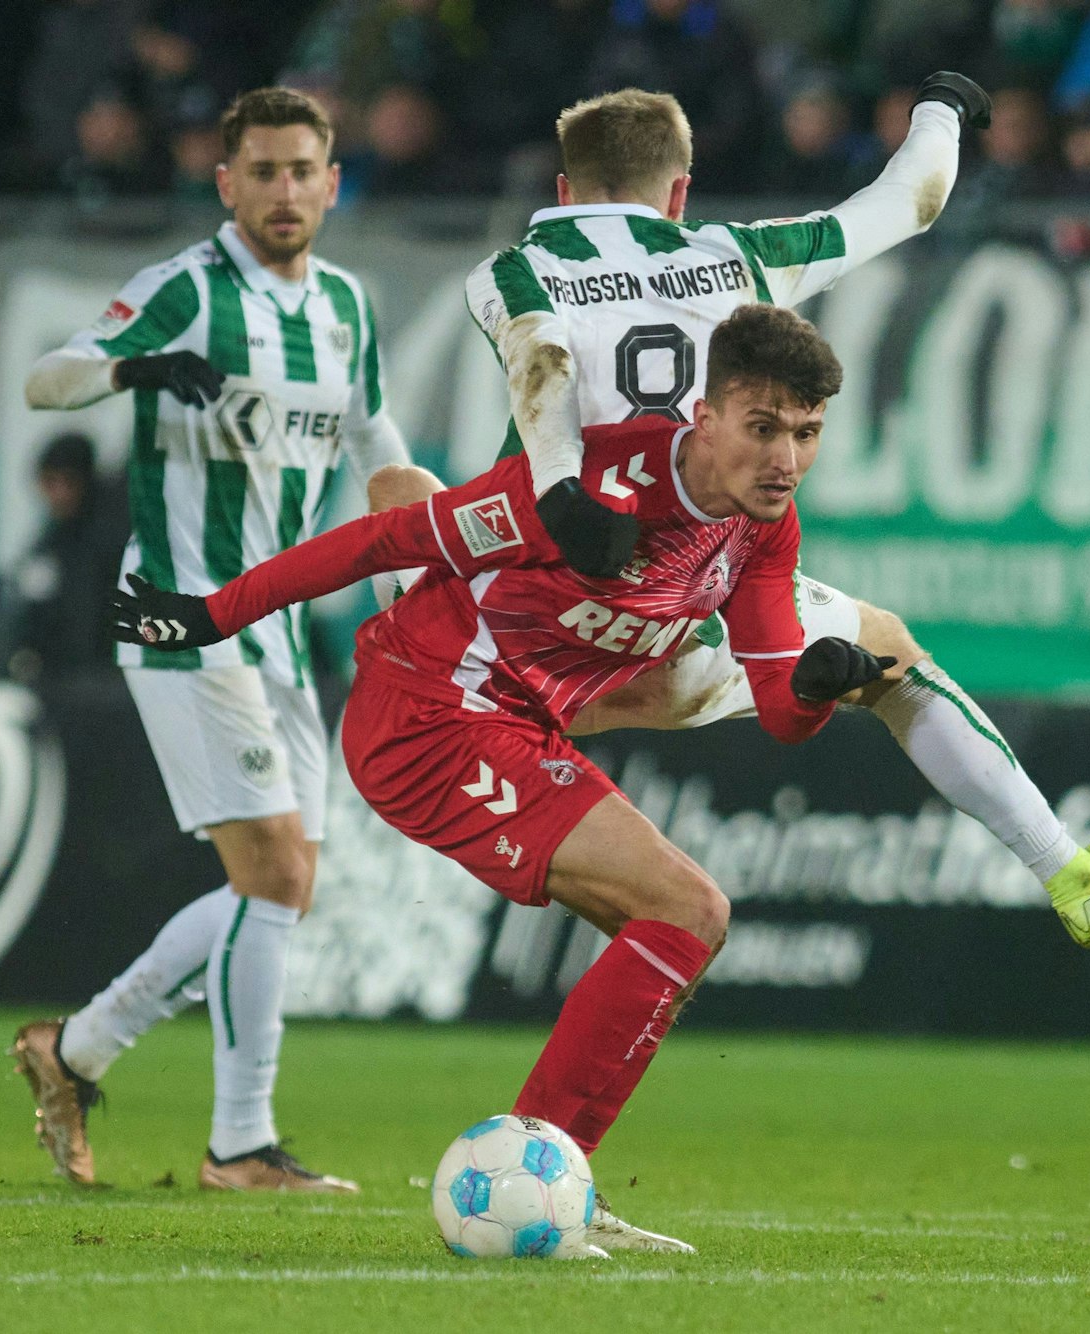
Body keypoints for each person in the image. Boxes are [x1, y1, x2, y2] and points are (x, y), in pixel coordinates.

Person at [116, 304, 895, 1255]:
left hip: (517, 724)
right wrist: (210, 615)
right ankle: (540, 1183)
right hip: (428, 717)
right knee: (689, 908)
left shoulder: (762, 531)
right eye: (763, 427)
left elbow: (778, 710)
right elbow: (386, 540)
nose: (786, 459)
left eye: (807, 433)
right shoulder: (587, 487)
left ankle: (559, 1187)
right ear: (703, 414)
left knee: (677, 931)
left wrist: (815, 687)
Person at [393, 83, 1090, 955]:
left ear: (562, 190)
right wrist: (941, 110)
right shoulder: (736, 255)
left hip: (534, 637)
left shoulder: (510, 271)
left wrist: (561, 492)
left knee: (403, 494)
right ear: (679, 192)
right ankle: (1071, 874)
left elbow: (541, 358)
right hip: (680, 627)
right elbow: (912, 199)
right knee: (892, 658)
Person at [12, 86, 409, 1194]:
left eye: (303, 171)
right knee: (273, 873)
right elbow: (45, 381)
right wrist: (130, 368)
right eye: (263, 171)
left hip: (279, 626)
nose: (285, 191)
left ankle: (76, 1048)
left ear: (332, 183)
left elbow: (379, 450)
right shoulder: (183, 289)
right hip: (179, 611)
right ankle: (238, 1144)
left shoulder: (345, 306)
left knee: (281, 888)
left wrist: (434, 554)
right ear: (225, 182)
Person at [0, 432, 127, 677]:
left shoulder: (113, 540)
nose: (59, 494)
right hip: (62, 677)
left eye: (69, 482)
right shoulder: (48, 546)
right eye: (50, 483)